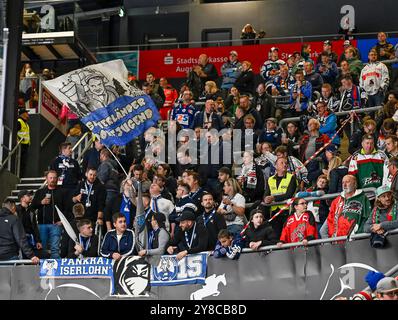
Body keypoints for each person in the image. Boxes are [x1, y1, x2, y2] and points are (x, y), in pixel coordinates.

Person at [31, 170, 70, 259]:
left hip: (56, 224)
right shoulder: (40, 192)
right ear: (46, 179)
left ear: (57, 179)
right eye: (50, 178)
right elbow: (32, 207)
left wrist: (62, 221)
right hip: (42, 225)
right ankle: (43, 270)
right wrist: (41, 202)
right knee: (42, 248)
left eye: (54, 178)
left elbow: (67, 209)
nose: (52, 180)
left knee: (55, 249)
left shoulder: (62, 192)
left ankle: (56, 270)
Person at [263, 157, 298, 237]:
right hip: (274, 211)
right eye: (282, 163)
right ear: (276, 166)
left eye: (286, 163)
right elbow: (266, 193)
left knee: (287, 235)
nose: (285, 165)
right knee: (275, 236)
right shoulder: (270, 179)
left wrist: (273, 198)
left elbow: (289, 194)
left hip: (287, 211)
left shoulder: (291, 177)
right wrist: (265, 199)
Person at [0, 199, 39, 264]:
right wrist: (31, 256)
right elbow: (20, 238)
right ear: (13, 207)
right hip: (10, 255)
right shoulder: (14, 219)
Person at [16, 190, 45, 258]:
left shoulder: (31, 210)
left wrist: (38, 241)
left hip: (30, 239)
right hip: (20, 240)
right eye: (28, 195)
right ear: (22, 199)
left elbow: (34, 227)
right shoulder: (16, 210)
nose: (30, 197)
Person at [16, 108, 30, 177]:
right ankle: (19, 176)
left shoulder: (26, 124)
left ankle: (21, 176)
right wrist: (17, 140)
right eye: (26, 112)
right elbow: (14, 132)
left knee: (23, 163)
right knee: (20, 162)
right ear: (23, 114)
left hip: (25, 145)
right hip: (20, 145)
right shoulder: (19, 121)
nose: (28, 114)